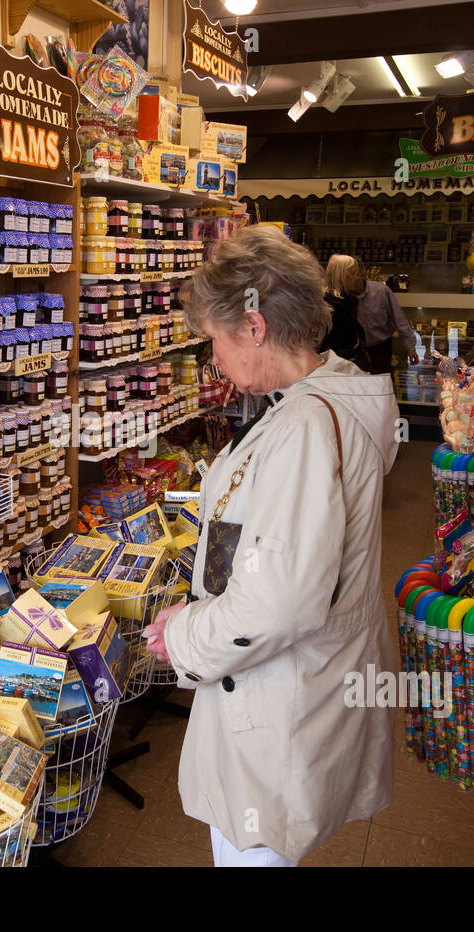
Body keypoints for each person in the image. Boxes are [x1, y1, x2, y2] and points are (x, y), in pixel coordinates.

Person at [143, 225, 399, 866]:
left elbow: (276, 605)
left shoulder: (304, 430)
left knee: (252, 851)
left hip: (277, 706)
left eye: (216, 340)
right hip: (305, 688)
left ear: (254, 327)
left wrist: (183, 636)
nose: (214, 360)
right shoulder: (324, 397)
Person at [324, 253, 419, 375]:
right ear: (341, 276)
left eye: (358, 274)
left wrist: (410, 347)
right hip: (348, 359)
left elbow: (399, 320)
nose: (356, 278)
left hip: (380, 350)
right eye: (352, 274)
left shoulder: (381, 291)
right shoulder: (339, 302)